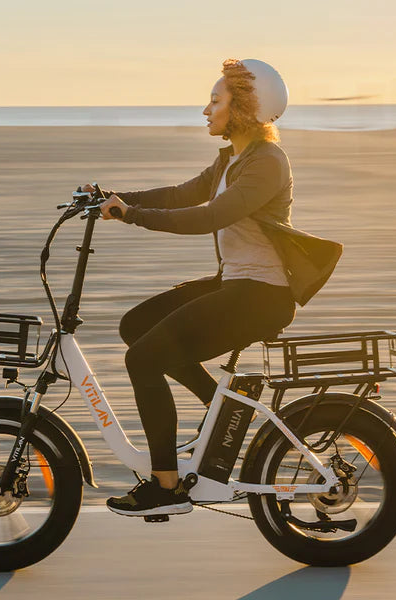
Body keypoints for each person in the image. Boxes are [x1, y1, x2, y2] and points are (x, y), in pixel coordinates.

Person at [88, 58, 298, 517]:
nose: (206, 109)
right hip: (236, 285)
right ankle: (217, 406)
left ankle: (166, 485)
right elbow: (184, 194)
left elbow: (209, 217)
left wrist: (133, 216)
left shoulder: (268, 162)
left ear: (241, 107)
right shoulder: (232, 157)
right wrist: (116, 198)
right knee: (136, 325)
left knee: (142, 359)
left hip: (261, 296)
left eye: (215, 100)